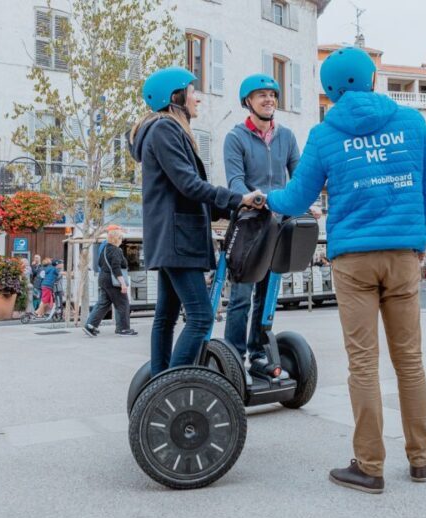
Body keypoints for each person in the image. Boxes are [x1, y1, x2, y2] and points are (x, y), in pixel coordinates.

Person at [266, 47, 426, 493]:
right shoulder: (411, 123)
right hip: (403, 255)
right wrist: (418, 239)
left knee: (363, 365)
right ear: (371, 79)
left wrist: (261, 198)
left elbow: (293, 199)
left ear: (329, 89)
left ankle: (369, 465)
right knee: (410, 362)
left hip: (353, 262)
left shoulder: (325, 135)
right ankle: (420, 459)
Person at [129, 66, 265, 376]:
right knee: (201, 316)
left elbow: (183, 192)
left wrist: (227, 209)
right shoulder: (165, 130)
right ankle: (174, 385)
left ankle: (160, 382)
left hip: (172, 236)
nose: (198, 99)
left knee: (166, 315)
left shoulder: (163, 130)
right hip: (179, 240)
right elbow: (188, 184)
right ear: (175, 97)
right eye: (192, 92)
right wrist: (237, 198)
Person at [222, 73, 321, 377]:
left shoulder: (287, 137)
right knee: (241, 296)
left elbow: (300, 176)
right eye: (261, 95)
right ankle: (234, 356)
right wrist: (252, 197)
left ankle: (259, 354)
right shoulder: (235, 137)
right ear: (248, 102)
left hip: (278, 224)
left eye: (273, 95)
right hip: (250, 225)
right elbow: (235, 180)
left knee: (267, 294)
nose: (269, 100)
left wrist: (308, 203)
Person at [84, 228, 136, 337]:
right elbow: (116, 267)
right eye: (121, 237)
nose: (122, 240)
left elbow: (99, 263)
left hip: (103, 278)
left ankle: (90, 326)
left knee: (103, 303)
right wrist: (122, 283)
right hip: (113, 280)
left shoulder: (104, 249)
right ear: (117, 238)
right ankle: (123, 329)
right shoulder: (116, 250)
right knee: (123, 303)